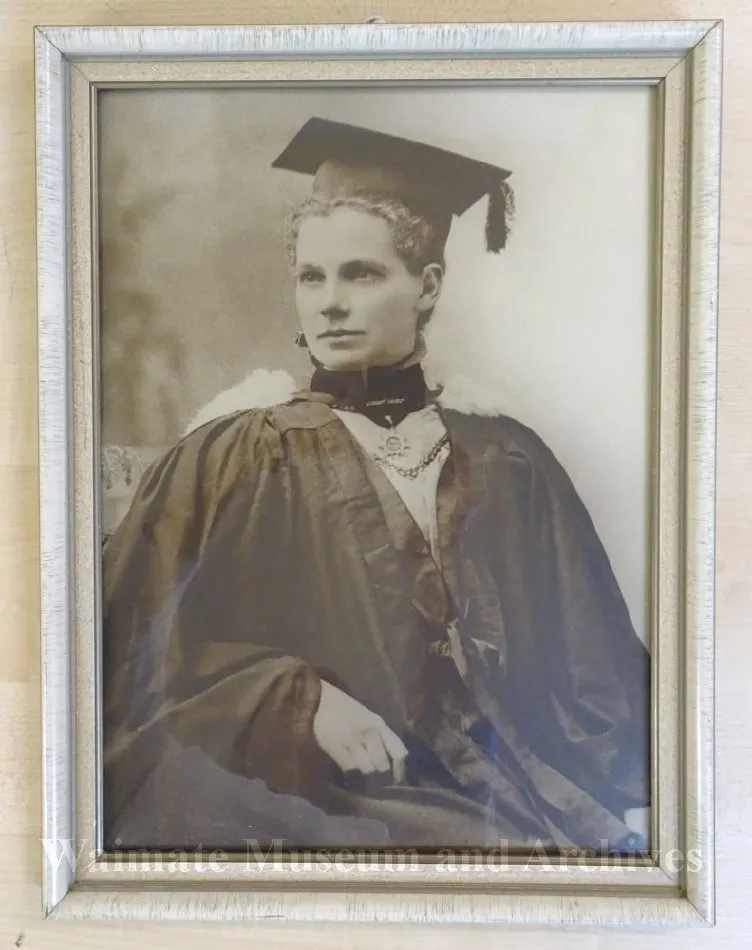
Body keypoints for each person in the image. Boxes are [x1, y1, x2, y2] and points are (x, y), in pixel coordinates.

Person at [102, 117, 650, 854]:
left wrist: (643, 796)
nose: (329, 303)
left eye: (361, 273)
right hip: (310, 791)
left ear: (426, 287)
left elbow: (595, 669)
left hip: (507, 779)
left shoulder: (504, 456)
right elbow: (132, 655)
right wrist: (297, 697)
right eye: (310, 276)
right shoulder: (238, 452)